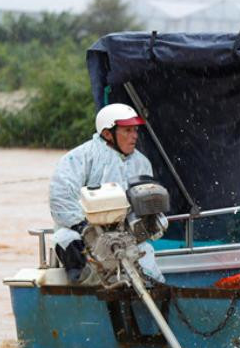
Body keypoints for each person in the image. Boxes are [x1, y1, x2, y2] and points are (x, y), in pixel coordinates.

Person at [49, 103, 166, 283]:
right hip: (83, 234)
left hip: (123, 237)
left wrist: (150, 222)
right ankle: (82, 285)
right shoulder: (79, 157)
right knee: (66, 239)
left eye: (135, 130)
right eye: (127, 131)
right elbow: (61, 198)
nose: (134, 136)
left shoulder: (142, 163)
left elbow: (145, 202)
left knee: (148, 261)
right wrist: (84, 228)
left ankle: (152, 292)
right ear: (107, 133)